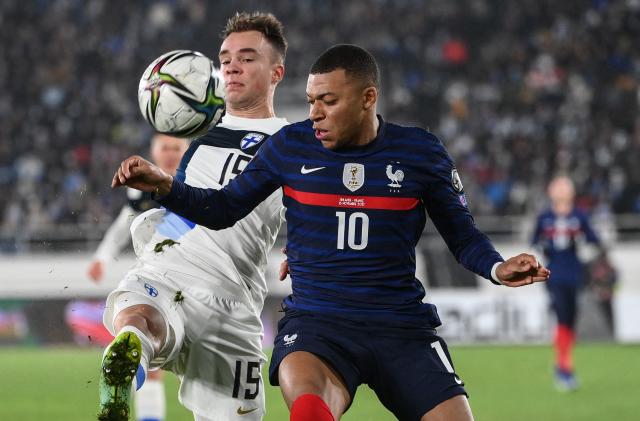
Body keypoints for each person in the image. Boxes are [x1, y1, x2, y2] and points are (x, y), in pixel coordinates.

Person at [112, 44, 550, 421]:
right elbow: (224, 208)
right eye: (309, 101)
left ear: (368, 98)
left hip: (402, 328)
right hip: (318, 327)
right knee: (308, 409)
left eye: (328, 101)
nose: (315, 114)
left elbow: (463, 236)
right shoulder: (289, 145)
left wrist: (496, 267)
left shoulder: (420, 152)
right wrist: (166, 186)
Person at [98, 12, 288, 421]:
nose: (232, 65)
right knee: (142, 315)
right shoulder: (200, 138)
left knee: (144, 320)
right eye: (225, 58)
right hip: (180, 276)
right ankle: (134, 344)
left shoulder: (294, 142)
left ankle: (137, 343)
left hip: (223, 296)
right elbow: (185, 205)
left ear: (277, 71)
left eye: (247, 57)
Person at [85, 133, 187, 421]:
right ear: (154, 152)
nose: (169, 153)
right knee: (147, 356)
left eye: (175, 147)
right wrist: (102, 258)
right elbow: (123, 224)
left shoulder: (200, 179)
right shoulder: (141, 188)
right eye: (164, 148)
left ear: (186, 150)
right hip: (158, 279)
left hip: (198, 279)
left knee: (201, 376)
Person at [531, 175, 602, 391]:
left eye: (564, 186)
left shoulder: (579, 216)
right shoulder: (545, 217)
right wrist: (540, 254)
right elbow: (533, 242)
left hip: (574, 275)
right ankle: (564, 368)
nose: (560, 190)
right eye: (557, 186)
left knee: (570, 320)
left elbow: (595, 242)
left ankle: (562, 363)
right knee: (562, 317)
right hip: (553, 276)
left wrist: (582, 248)